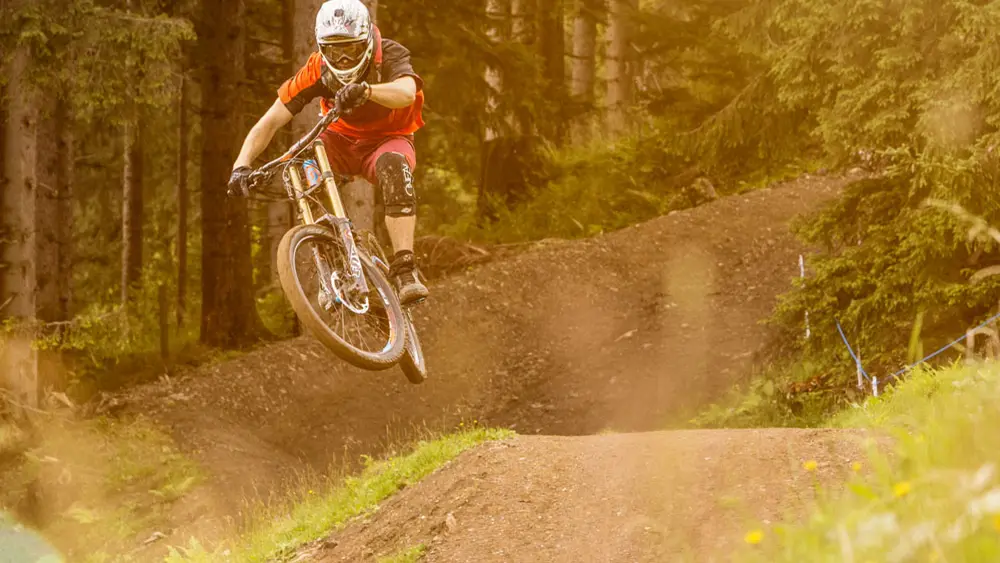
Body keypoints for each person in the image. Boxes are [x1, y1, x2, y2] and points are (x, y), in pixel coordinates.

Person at [228, 0, 428, 305]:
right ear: (322, 48)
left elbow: (406, 93)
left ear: (366, 42)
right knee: (302, 170)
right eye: (334, 50)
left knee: (393, 166)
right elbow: (269, 122)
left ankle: (404, 268)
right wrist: (241, 166)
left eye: (350, 48)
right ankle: (332, 262)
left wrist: (368, 91)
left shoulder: (388, 53)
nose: (344, 58)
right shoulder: (317, 70)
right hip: (341, 143)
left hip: (390, 139)